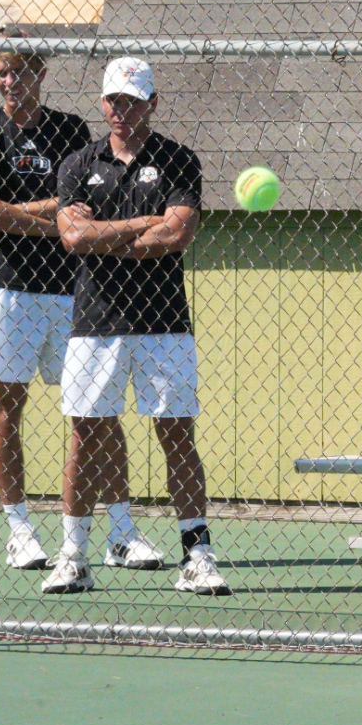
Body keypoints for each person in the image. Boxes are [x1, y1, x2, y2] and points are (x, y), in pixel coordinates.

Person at [0, 33, 159, 574]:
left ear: (40, 74)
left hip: (70, 291)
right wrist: (48, 217)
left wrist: (8, 215)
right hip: (4, 291)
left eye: (19, 72)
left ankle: (120, 531)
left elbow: (81, 210)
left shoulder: (70, 129)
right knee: (7, 405)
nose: (9, 81)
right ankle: (20, 530)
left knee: (95, 413)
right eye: (1, 72)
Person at [43, 58, 230, 598]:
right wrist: (138, 226)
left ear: (153, 103)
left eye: (131, 101)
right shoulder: (78, 164)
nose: (120, 111)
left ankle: (197, 556)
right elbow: (73, 239)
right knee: (85, 435)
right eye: (112, 101)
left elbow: (177, 234)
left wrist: (107, 234)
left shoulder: (177, 160)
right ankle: (74, 557)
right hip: (95, 324)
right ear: (102, 104)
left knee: (176, 436)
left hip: (163, 324)